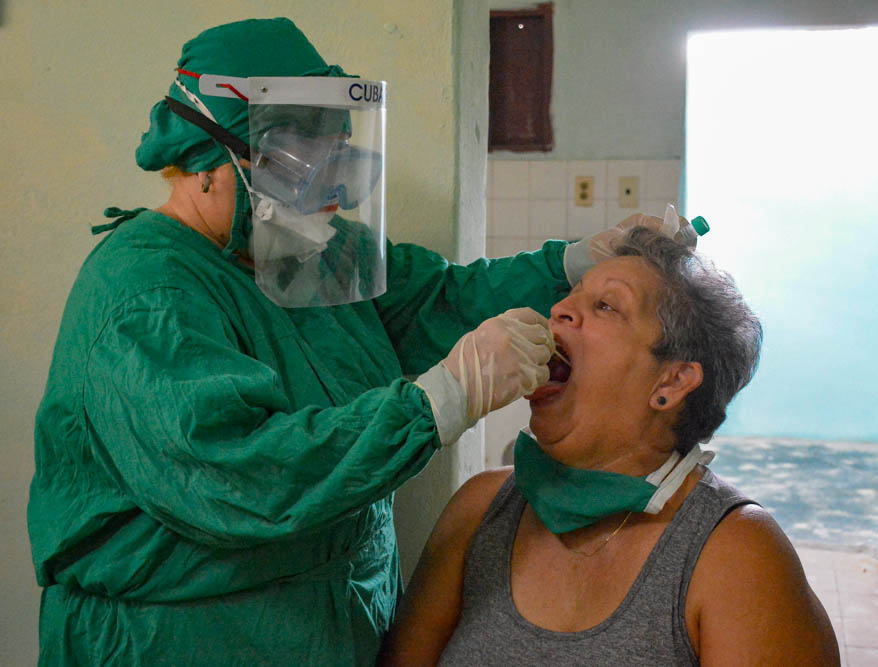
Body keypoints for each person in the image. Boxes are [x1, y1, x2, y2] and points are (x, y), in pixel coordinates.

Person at [26, 18, 661, 666]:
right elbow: (239, 476)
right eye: (296, 166)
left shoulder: (311, 250)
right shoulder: (144, 294)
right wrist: (440, 399)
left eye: (332, 159)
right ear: (210, 163)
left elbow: (438, 301)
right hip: (177, 642)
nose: (326, 192)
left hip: (335, 631)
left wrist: (580, 264)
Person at [379, 227, 841, 666]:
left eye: (605, 306)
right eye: (570, 295)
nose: (559, 309)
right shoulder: (478, 510)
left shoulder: (740, 555)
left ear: (673, 381)